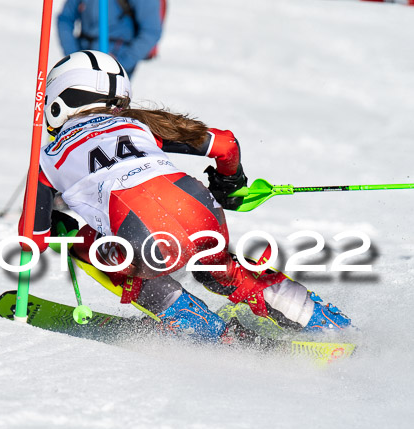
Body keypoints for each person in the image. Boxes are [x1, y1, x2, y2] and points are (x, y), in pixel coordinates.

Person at [18, 50, 352, 344]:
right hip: (201, 209)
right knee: (220, 269)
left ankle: (200, 327)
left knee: (82, 243)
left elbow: (32, 239)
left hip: (143, 239)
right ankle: (322, 321)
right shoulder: (139, 124)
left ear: (58, 101)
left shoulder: (47, 157)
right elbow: (225, 144)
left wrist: (59, 226)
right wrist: (229, 182)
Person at [57, 0, 163, 77]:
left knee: (108, 105)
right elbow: (65, 19)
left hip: (118, 65)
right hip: (83, 62)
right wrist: (74, 55)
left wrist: (120, 63)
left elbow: (151, 31)